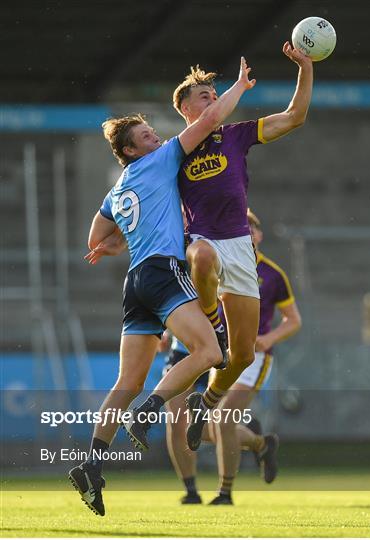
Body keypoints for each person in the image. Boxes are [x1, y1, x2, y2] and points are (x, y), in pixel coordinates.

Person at [68, 57, 256, 517]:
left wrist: (114, 245)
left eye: (155, 134)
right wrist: (240, 87)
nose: (158, 137)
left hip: (136, 282)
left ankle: (91, 463)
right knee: (212, 353)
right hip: (163, 273)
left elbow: (96, 239)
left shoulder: (118, 187)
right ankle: (152, 408)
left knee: (125, 380)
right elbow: (212, 118)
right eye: (147, 136)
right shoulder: (163, 158)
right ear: (133, 151)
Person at [172, 42, 313, 452]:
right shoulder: (175, 151)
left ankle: (207, 404)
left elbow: (295, 117)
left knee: (244, 356)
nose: (214, 101)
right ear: (184, 108)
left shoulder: (234, 136)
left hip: (238, 249)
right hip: (202, 241)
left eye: (215, 96)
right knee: (200, 255)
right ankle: (213, 321)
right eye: (204, 96)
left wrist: (305, 67)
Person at [162, 210, 302, 505]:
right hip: (194, 346)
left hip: (241, 354)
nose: (247, 231)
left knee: (222, 419)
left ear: (259, 235)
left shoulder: (272, 274)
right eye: (243, 226)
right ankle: (195, 488)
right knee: (179, 420)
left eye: (252, 227)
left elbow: (294, 320)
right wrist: (164, 331)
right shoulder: (204, 255)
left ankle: (225, 493)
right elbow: (177, 297)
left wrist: (269, 338)